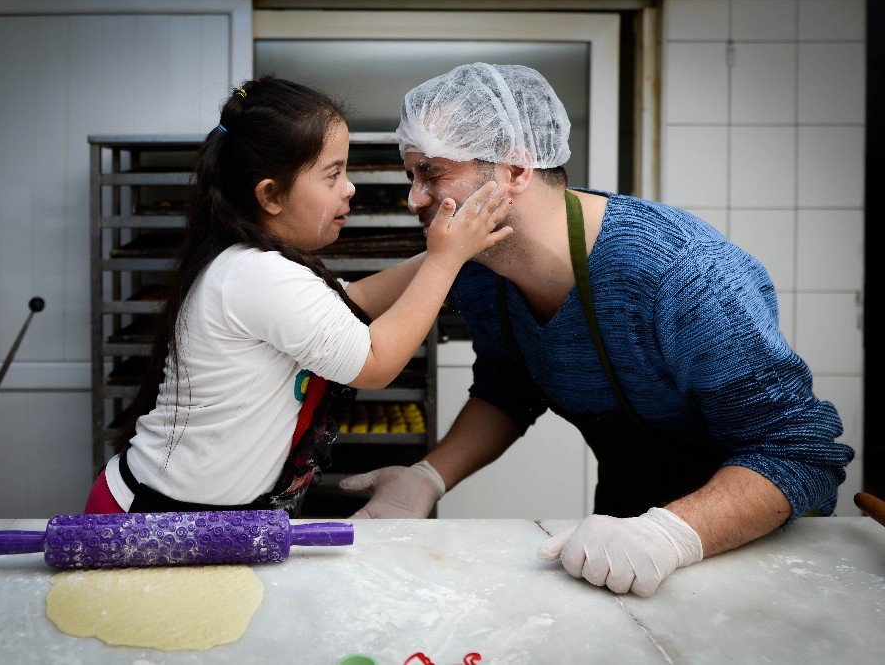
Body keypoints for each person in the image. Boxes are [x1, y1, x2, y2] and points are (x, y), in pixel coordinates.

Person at [340, 62, 855, 597]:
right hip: (621, 535)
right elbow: (508, 390)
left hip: (749, 540)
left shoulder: (680, 273)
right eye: (411, 176)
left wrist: (670, 534)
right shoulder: (480, 271)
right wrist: (427, 476)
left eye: (433, 173)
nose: (415, 200)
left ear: (516, 169)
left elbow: (799, 451)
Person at [84, 76, 512, 518]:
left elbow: (353, 301)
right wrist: (443, 261)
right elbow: (375, 363)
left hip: (195, 512)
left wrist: (453, 251)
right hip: (149, 514)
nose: (349, 188)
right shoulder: (256, 274)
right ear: (270, 195)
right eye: (333, 175)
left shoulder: (259, 265)